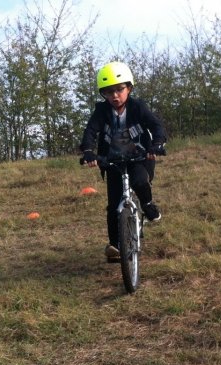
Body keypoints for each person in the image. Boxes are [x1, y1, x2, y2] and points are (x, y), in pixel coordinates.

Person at [80, 61, 167, 262]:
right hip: (112, 160)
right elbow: (90, 132)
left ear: (129, 88)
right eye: (109, 92)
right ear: (103, 94)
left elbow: (156, 126)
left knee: (139, 181)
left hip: (140, 156)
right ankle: (115, 246)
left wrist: (157, 144)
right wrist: (88, 152)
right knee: (113, 206)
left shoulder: (138, 107)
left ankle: (147, 204)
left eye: (120, 90)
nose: (115, 96)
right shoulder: (102, 111)